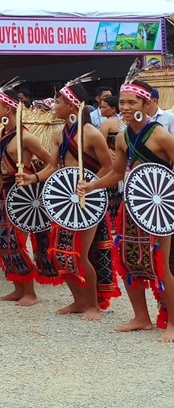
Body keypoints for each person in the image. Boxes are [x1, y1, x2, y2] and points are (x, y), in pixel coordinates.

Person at [81, 78, 174, 341]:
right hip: (130, 207)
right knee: (128, 261)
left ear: (146, 104)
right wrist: (92, 186)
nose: (124, 106)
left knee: (161, 265)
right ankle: (141, 318)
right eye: (122, 101)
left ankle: (172, 323)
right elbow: (117, 173)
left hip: (159, 210)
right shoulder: (122, 137)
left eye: (131, 101)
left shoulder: (160, 135)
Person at [20, 80, 118, 321]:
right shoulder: (58, 134)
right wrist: (32, 177)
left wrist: (91, 186)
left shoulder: (92, 134)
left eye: (59, 101)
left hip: (88, 200)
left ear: (73, 106)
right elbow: (53, 167)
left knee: (81, 253)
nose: (55, 105)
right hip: (65, 200)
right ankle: (78, 300)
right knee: (61, 253)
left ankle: (93, 304)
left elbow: (109, 167)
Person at [0, 86, 59, 307]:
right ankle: (18, 287)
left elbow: (52, 163)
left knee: (17, 241)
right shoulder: (3, 134)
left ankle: (30, 292)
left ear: (8, 109)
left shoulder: (26, 137)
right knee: (4, 241)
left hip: (24, 195)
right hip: (7, 192)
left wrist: (34, 178)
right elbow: (0, 166)